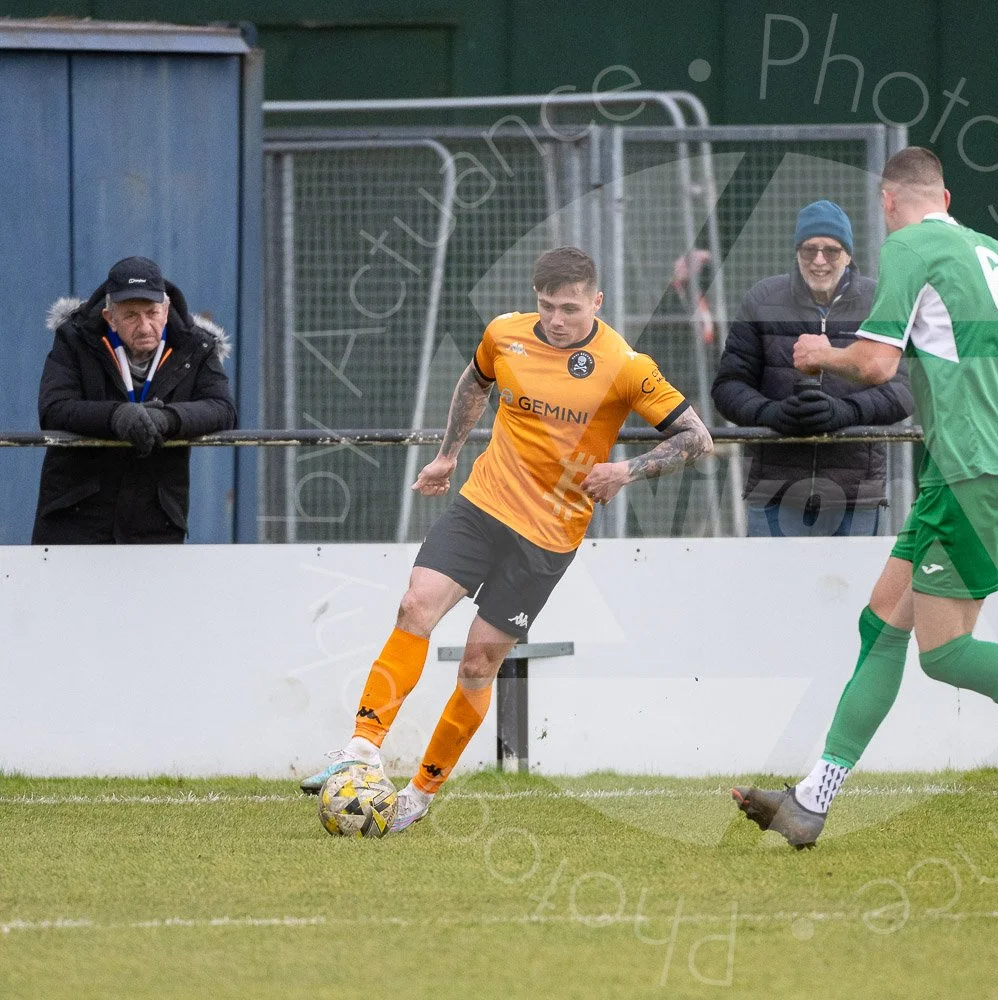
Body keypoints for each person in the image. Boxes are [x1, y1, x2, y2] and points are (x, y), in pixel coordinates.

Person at [731, 148, 998, 849]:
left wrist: (819, 354)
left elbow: (877, 364)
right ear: (947, 198)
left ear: (888, 202)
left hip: (966, 470)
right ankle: (811, 800)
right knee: (880, 625)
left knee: (946, 654)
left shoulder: (910, 249)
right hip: (975, 469)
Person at [300, 247, 712, 832]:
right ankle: (362, 749)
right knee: (415, 606)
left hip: (548, 536)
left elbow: (697, 438)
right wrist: (447, 455)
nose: (556, 320)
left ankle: (419, 794)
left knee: (477, 662)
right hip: (483, 505)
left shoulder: (625, 365)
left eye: (570, 309)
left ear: (596, 302)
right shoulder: (505, 334)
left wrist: (628, 470)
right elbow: (475, 381)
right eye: (547, 306)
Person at [712, 199, 913, 536]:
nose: (819, 260)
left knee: (855, 575)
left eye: (831, 251)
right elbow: (728, 386)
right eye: (809, 250)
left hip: (855, 494)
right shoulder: (763, 299)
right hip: (775, 490)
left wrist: (845, 412)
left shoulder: (878, 302)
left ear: (848, 255)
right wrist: (771, 413)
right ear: (797, 252)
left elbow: (904, 390)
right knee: (772, 574)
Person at [32, 256, 236, 544]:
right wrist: (115, 417)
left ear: (166, 310)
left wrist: (168, 419)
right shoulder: (75, 338)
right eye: (131, 316)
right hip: (74, 516)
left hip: (156, 520)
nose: (144, 326)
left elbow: (222, 409)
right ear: (109, 318)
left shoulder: (197, 346)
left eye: (152, 313)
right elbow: (54, 408)